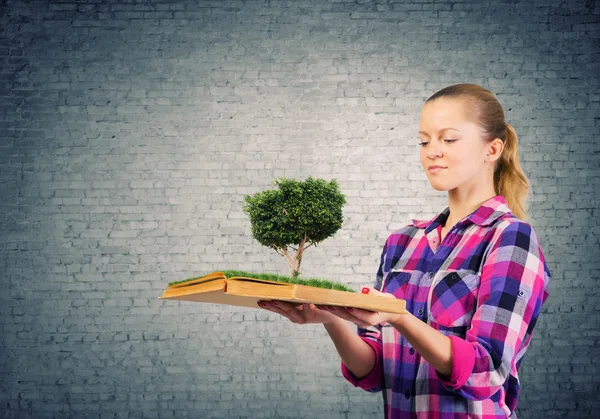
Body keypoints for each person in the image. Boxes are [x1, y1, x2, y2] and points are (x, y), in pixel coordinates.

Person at [257, 83, 551, 419]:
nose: (432, 151)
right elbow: (375, 371)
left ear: (492, 149)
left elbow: (486, 371)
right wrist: (330, 318)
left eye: (448, 139)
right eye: (424, 141)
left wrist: (399, 316)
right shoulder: (402, 242)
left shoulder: (511, 238)